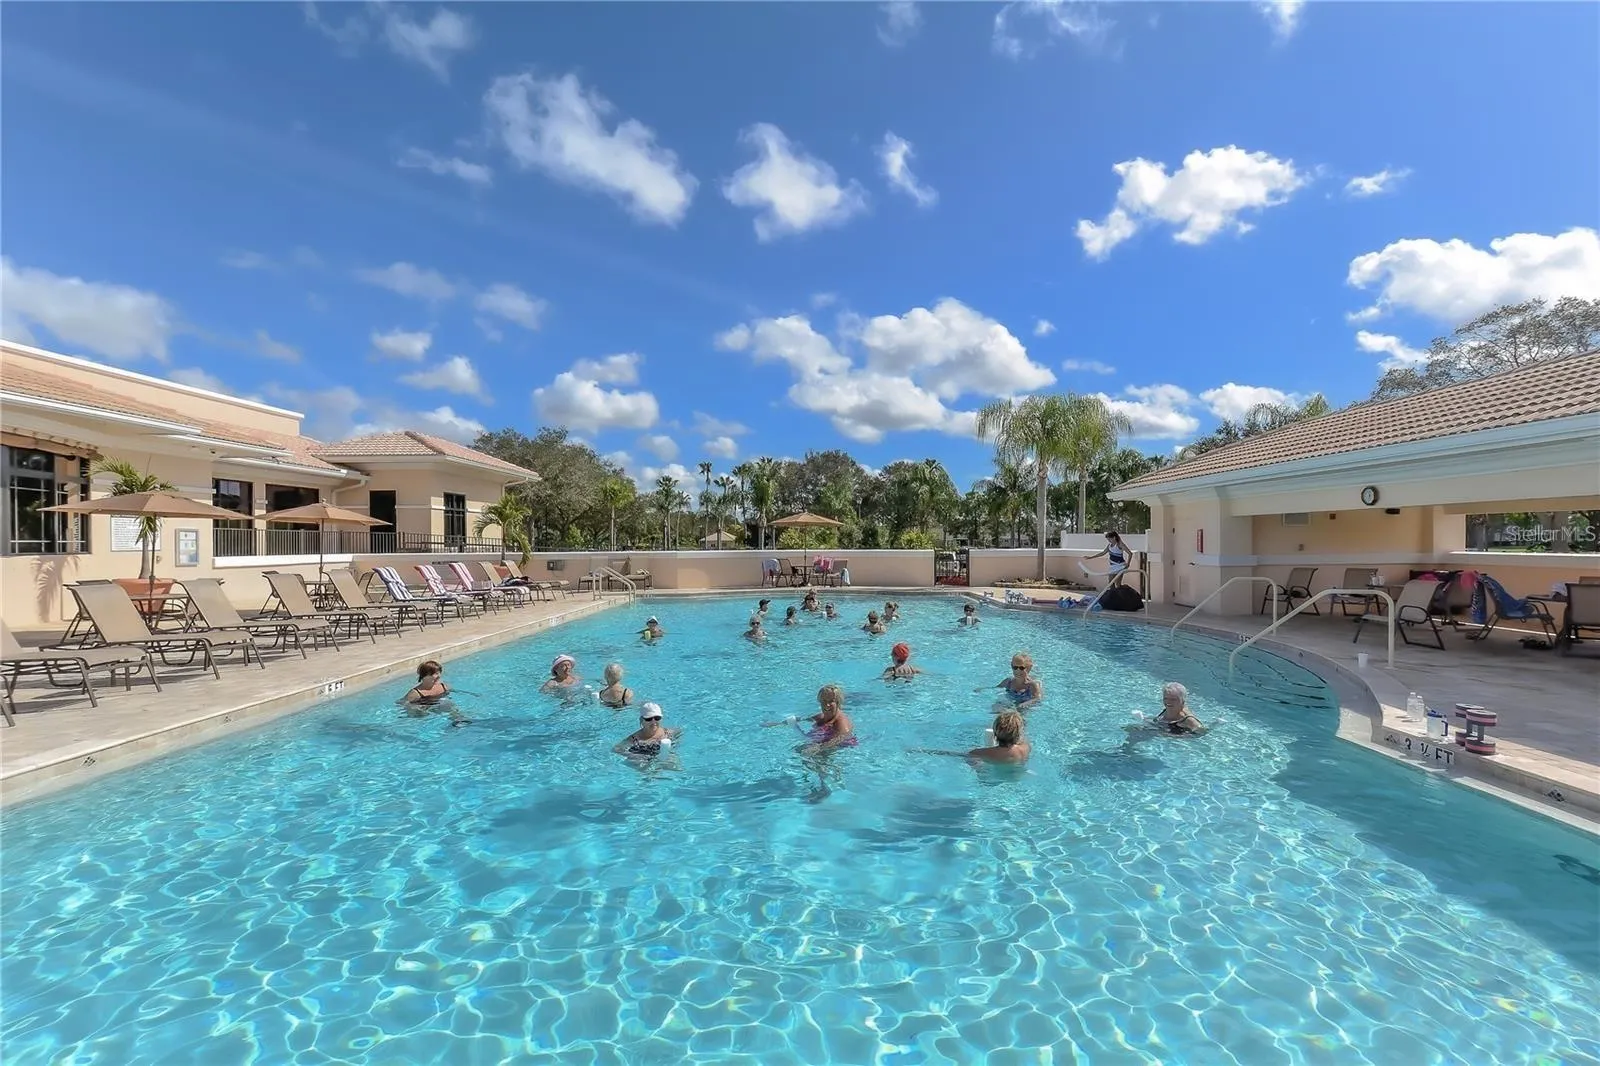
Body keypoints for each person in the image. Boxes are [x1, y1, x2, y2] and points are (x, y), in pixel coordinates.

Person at [764, 684, 857, 753]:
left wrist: (818, 748)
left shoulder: (842, 723)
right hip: (820, 741)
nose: (827, 704)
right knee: (797, 750)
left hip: (837, 746)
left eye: (831, 701)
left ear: (838, 702)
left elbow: (839, 740)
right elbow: (801, 719)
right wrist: (777, 724)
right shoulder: (821, 717)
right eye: (824, 701)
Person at [917, 711, 1029, 765]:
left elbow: (963, 756)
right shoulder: (1025, 748)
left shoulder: (981, 752)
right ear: (1018, 734)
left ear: (995, 733)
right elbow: (1022, 740)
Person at [399, 659, 469, 725]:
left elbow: (454, 692)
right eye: (435, 674)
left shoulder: (443, 686)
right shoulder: (416, 693)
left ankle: (458, 720)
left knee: (446, 703)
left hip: (442, 708)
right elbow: (402, 703)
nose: (439, 676)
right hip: (426, 711)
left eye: (439, 673)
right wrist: (416, 709)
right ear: (424, 676)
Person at [613, 701, 681, 760]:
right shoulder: (635, 739)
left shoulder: (668, 733)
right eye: (649, 719)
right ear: (641, 720)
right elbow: (616, 749)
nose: (653, 722)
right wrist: (635, 756)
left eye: (657, 718)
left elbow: (679, 733)